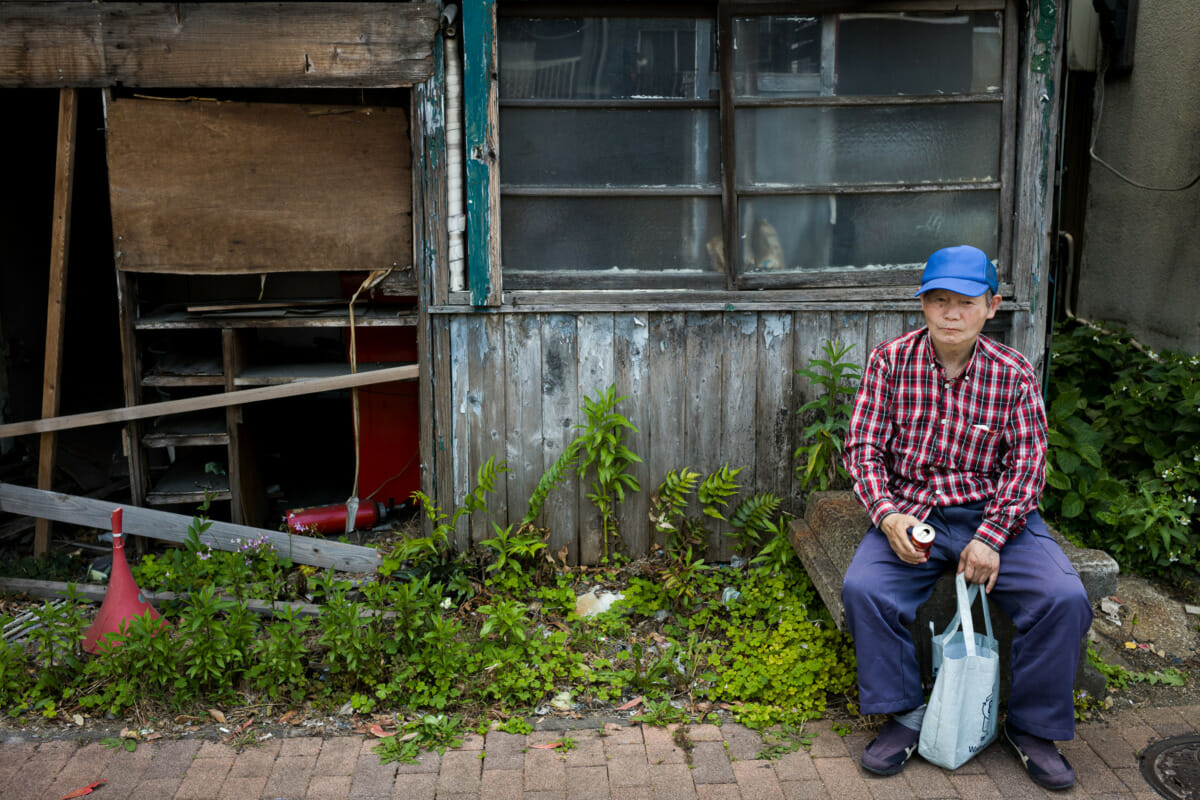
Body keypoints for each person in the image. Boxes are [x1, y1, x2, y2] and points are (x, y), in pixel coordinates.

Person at [840, 245, 1094, 790]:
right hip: (914, 512)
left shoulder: (1014, 373)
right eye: (938, 301)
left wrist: (992, 536)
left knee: (1062, 598)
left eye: (965, 301)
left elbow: (1027, 469)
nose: (951, 313)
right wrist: (887, 518)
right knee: (866, 588)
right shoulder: (890, 361)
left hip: (995, 513)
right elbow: (862, 449)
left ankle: (1030, 730)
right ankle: (904, 714)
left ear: (991, 306)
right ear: (923, 306)